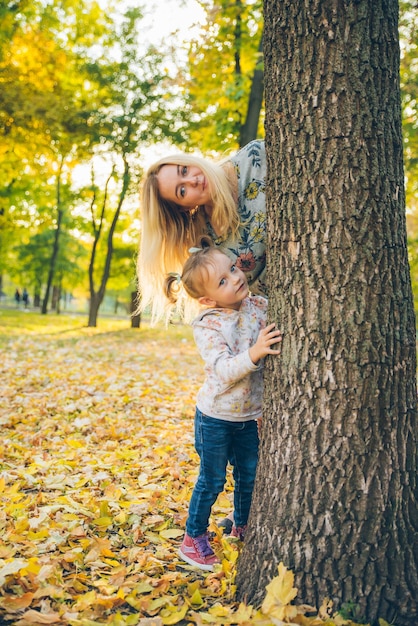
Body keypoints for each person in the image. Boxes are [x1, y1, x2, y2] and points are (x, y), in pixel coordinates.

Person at [164, 243, 282, 571]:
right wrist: (256, 351)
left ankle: (241, 524)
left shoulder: (258, 305)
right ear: (207, 300)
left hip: (248, 416)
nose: (234, 278)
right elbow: (224, 369)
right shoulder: (209, 324)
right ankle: (193, 537)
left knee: (250, 474)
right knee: (213, 478)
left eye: (232, 268)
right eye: (221, 281)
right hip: (215, 417)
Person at [138, 139, 267, 324]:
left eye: (184, 170)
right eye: (182, 190)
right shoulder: (204, 240)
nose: (193, 180)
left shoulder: (254, 157)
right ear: (183, 207)